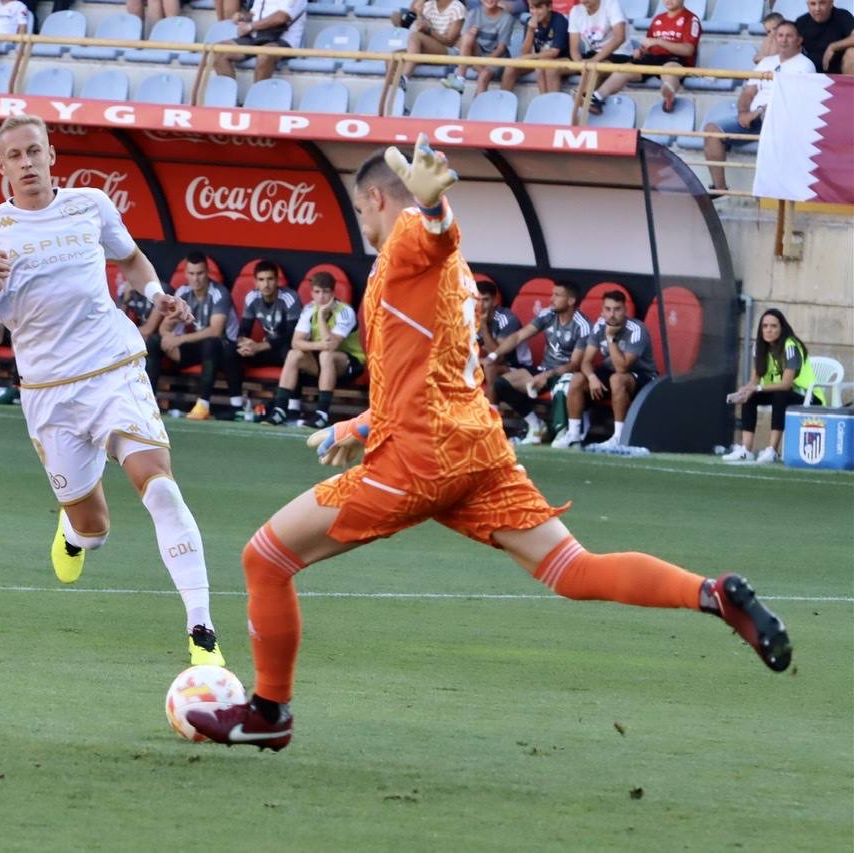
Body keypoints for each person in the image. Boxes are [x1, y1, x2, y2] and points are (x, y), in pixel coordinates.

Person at [186, 136, 793, 752]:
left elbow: (434, 233)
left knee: (265, 559)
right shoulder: (452, 274)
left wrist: (434, 211)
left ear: (374, 199)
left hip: (422, 458)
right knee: (572, 569)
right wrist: (362, 424)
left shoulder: (408, 244)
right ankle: (711, 594)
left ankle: (269, 712)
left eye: (362, 210)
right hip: (477, 448)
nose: (363, 223)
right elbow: (432, 365)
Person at [0, 114, 225, 667]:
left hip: (113, 367)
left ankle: (203, 633)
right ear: (0, 166)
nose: (27, 163)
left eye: (35, 151)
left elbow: (128, 258)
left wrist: (157, 293)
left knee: (162, 489)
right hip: (49, 390)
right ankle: (75, 534)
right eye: (15, 156)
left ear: (52, 154)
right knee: (93, 526)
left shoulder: (91, 205)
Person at [703, 21, 815, 194]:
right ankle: (720, 190)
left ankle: (770, 193)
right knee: (711, 130)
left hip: (782, 122)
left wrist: (759, 112)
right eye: (780, 35)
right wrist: (743, 112)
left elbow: (794, 101)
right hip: (754, 120)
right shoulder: (766, 62)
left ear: (799, 40)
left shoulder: (805, 66)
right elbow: (748, 92)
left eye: (789, 36)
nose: (784, 40)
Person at [486, 280, 590, 444]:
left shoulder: (582, 325)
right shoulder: (548, 314)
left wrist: (547, 375)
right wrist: (493, 356)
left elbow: (575, 364)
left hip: (565, 374)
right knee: (501, 384)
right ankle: (536, 425)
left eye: (557, 295)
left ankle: (564, 432)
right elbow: (519, 336)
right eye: (552, 294)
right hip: (544, 369)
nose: (551, 299)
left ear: (571, 300)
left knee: (563, 384)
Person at [553, 289, 656, 449]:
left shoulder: (637, 330)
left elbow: (622, 367)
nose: (612, 314)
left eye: (617, 309)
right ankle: (573, 435)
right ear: (602, 310)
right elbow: (586, 361)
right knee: (578, 378)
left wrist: (610, 338)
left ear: (625, 310)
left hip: (642, 377)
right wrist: (592, 378)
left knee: (617, 379)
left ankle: (619, 437)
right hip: (612, 372)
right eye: (607, 309)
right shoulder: (600, 324)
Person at [721, 309, 824, 464]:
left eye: (774, 326)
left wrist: (758, 388)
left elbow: (786, 384)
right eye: (765, 326)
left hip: (807, 396)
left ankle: (772, 450)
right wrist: (746, 390)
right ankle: (746, 450)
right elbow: (755, 380)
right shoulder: (759, 347)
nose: (768, 330)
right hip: (780, 393)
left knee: (779, 396)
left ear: (781, 328)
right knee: (750, 396)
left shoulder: (791, 346)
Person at [264, 271, 366, 428]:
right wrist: (319, 345)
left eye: (326, 292)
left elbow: (332, 346)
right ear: (311, 293)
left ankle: (321, 414)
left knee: (326, 355)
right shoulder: (308, 309)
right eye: (317, 292)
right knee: (293, 355)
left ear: (333, 293)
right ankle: (279, 410)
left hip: (349, 364)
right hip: (321, 361)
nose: (321, 297)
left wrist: (320, 316)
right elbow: (296, 342)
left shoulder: (345, 311)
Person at [145, 252, 239, 421]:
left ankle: (203, 405)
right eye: (192, 274)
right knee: (154, 342)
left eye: (200, 273)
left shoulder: (219, 292)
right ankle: (148, 401)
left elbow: (215, 331)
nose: (196, 279)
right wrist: (167, 336)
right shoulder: (183, 292)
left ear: (207, 272)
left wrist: (178, 339)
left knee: (211, 343)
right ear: (186, 274)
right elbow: (165, 325)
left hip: (224, 349)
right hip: (196, 347)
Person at [591, 0, 700, 114]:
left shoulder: (691, 19)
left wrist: (659, 42)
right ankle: (597, 97)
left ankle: (669, 93)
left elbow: (688, 50)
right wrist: (641, 51)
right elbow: (649, 45)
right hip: (653, 58)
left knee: (669, 70)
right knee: (624, 69)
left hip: (675, 59)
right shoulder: (658, 18)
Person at [233, 261, 301, 418]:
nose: (266, 284)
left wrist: (260, 346)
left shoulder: (289, 297)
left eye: (270, 279)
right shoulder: (252, 297)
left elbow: (291, 334)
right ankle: (236, 404)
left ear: (277, 281)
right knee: (232, 351)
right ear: (256, 282)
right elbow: (244, 329)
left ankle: (293, 407)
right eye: (261, 280)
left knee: (291, 353)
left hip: (285, 347)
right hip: (267, 349)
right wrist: (244, 343)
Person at [213, 0, 308, 83]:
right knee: (220, 51)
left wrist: (251, 26)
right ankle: (231, 99)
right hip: (257, 36)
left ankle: (257, 98)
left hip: (284, 40)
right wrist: (243, 16)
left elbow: (281, 17)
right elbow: (254, 13)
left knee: (264, 55)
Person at [569, 0, 630, 114]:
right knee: (554, 68)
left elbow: (619, 38)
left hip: (619, 53)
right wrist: (581, 67)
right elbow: (574, 49)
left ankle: (584, 97)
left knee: (593, 67)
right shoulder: (576, 11)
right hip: (594, 53)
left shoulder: (611, 4)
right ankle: (586, 99)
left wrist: (593, 61)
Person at [476, 280, 532, 405]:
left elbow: (498, 357)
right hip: (489, 363)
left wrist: (484, 325)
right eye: (477, 300)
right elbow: (465, 350)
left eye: (485, 300)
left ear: (495, 301)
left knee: (490, 368)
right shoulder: (472, 317)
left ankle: (492, 416)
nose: (481, 305)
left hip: (517, 367)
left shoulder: (507, 319)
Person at [444, 0, 516, 94]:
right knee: (468, 36)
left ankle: (478, 106)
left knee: (484, 75)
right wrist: (471, 35)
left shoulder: (507, 18)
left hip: (496, 58)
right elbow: (462, 43)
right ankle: (460, 79)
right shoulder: (473, 13)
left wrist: (483, 64)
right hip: (477, 55)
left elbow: (501, 49)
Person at [501, 0, 570, 93]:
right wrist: (530, 30)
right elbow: (525, 52)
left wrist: (528, 57)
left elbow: (554, 52)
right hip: (539, 59)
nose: (535, 12)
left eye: (539, 8)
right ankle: (501, 101)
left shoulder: (559, 21)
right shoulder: (530, 21)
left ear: (549, 7)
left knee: (543, 64)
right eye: (532, 8)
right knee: (511, 67)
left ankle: (550, 104)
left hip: (561, 59)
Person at [408, 0, 467, 74]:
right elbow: (421, 30)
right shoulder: (429, 5)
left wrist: (429, 31)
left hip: (449, 51)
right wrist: (419, 14)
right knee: (396, 54)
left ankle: (405, 77)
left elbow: (449, 42)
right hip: (430, 48)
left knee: (415, 37)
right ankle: (397, 82)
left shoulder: (458, 8)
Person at [796, 0, 854, 75]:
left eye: (822, 3)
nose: (817, 8)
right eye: (813, 4)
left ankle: (849, 86)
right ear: (807, 5)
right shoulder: (801, 21)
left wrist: (833, 46)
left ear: (831, 3)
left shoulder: (842, 16)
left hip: (839, 72)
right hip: (809, 72)